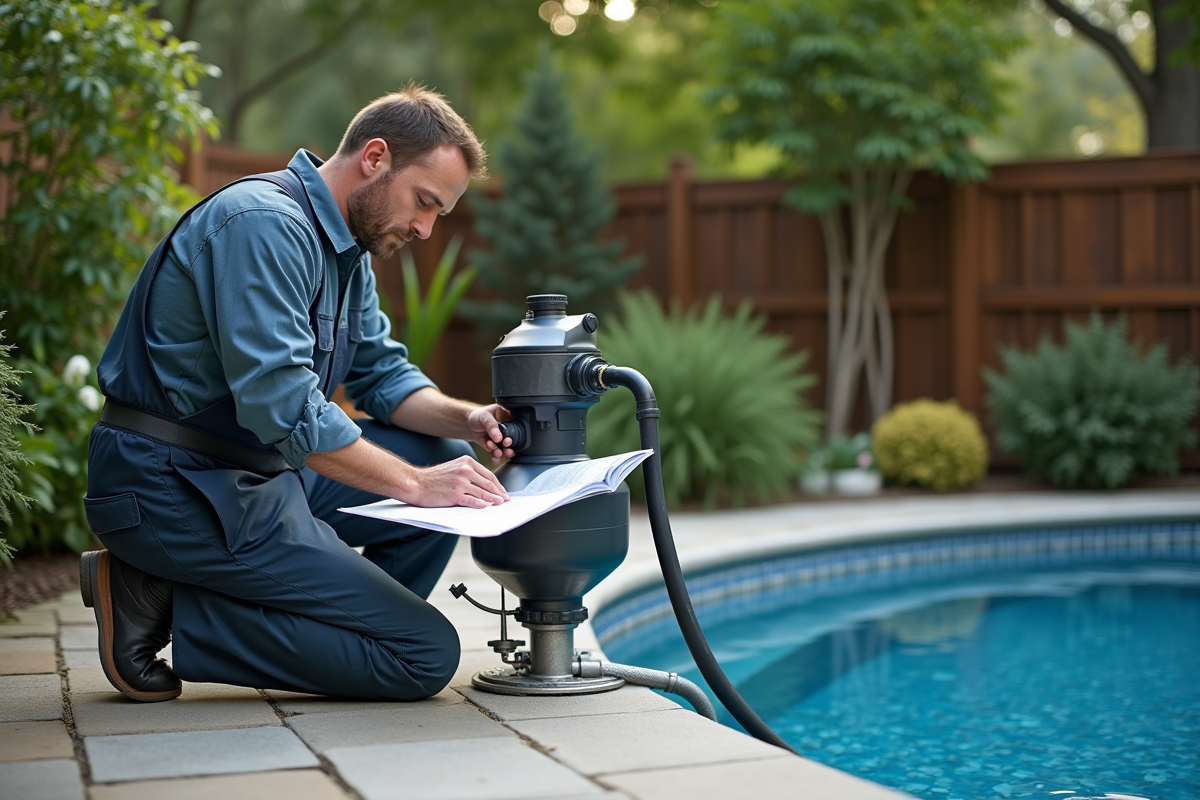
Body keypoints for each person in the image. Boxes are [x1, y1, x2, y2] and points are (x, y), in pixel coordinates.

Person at [80, 84, 515, 703]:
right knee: (422, 656)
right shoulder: (263, 225)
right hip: (172, 485)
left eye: (437, 214)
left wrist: (469, 418)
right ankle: (156, 598)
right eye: (423, 203)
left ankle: (344, 627)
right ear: (375, 157)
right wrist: (417, 486)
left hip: (258, 474)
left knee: (444, 462)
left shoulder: (348, 253)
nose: (424, 228)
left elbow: (383, 376)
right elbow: (280, 404)